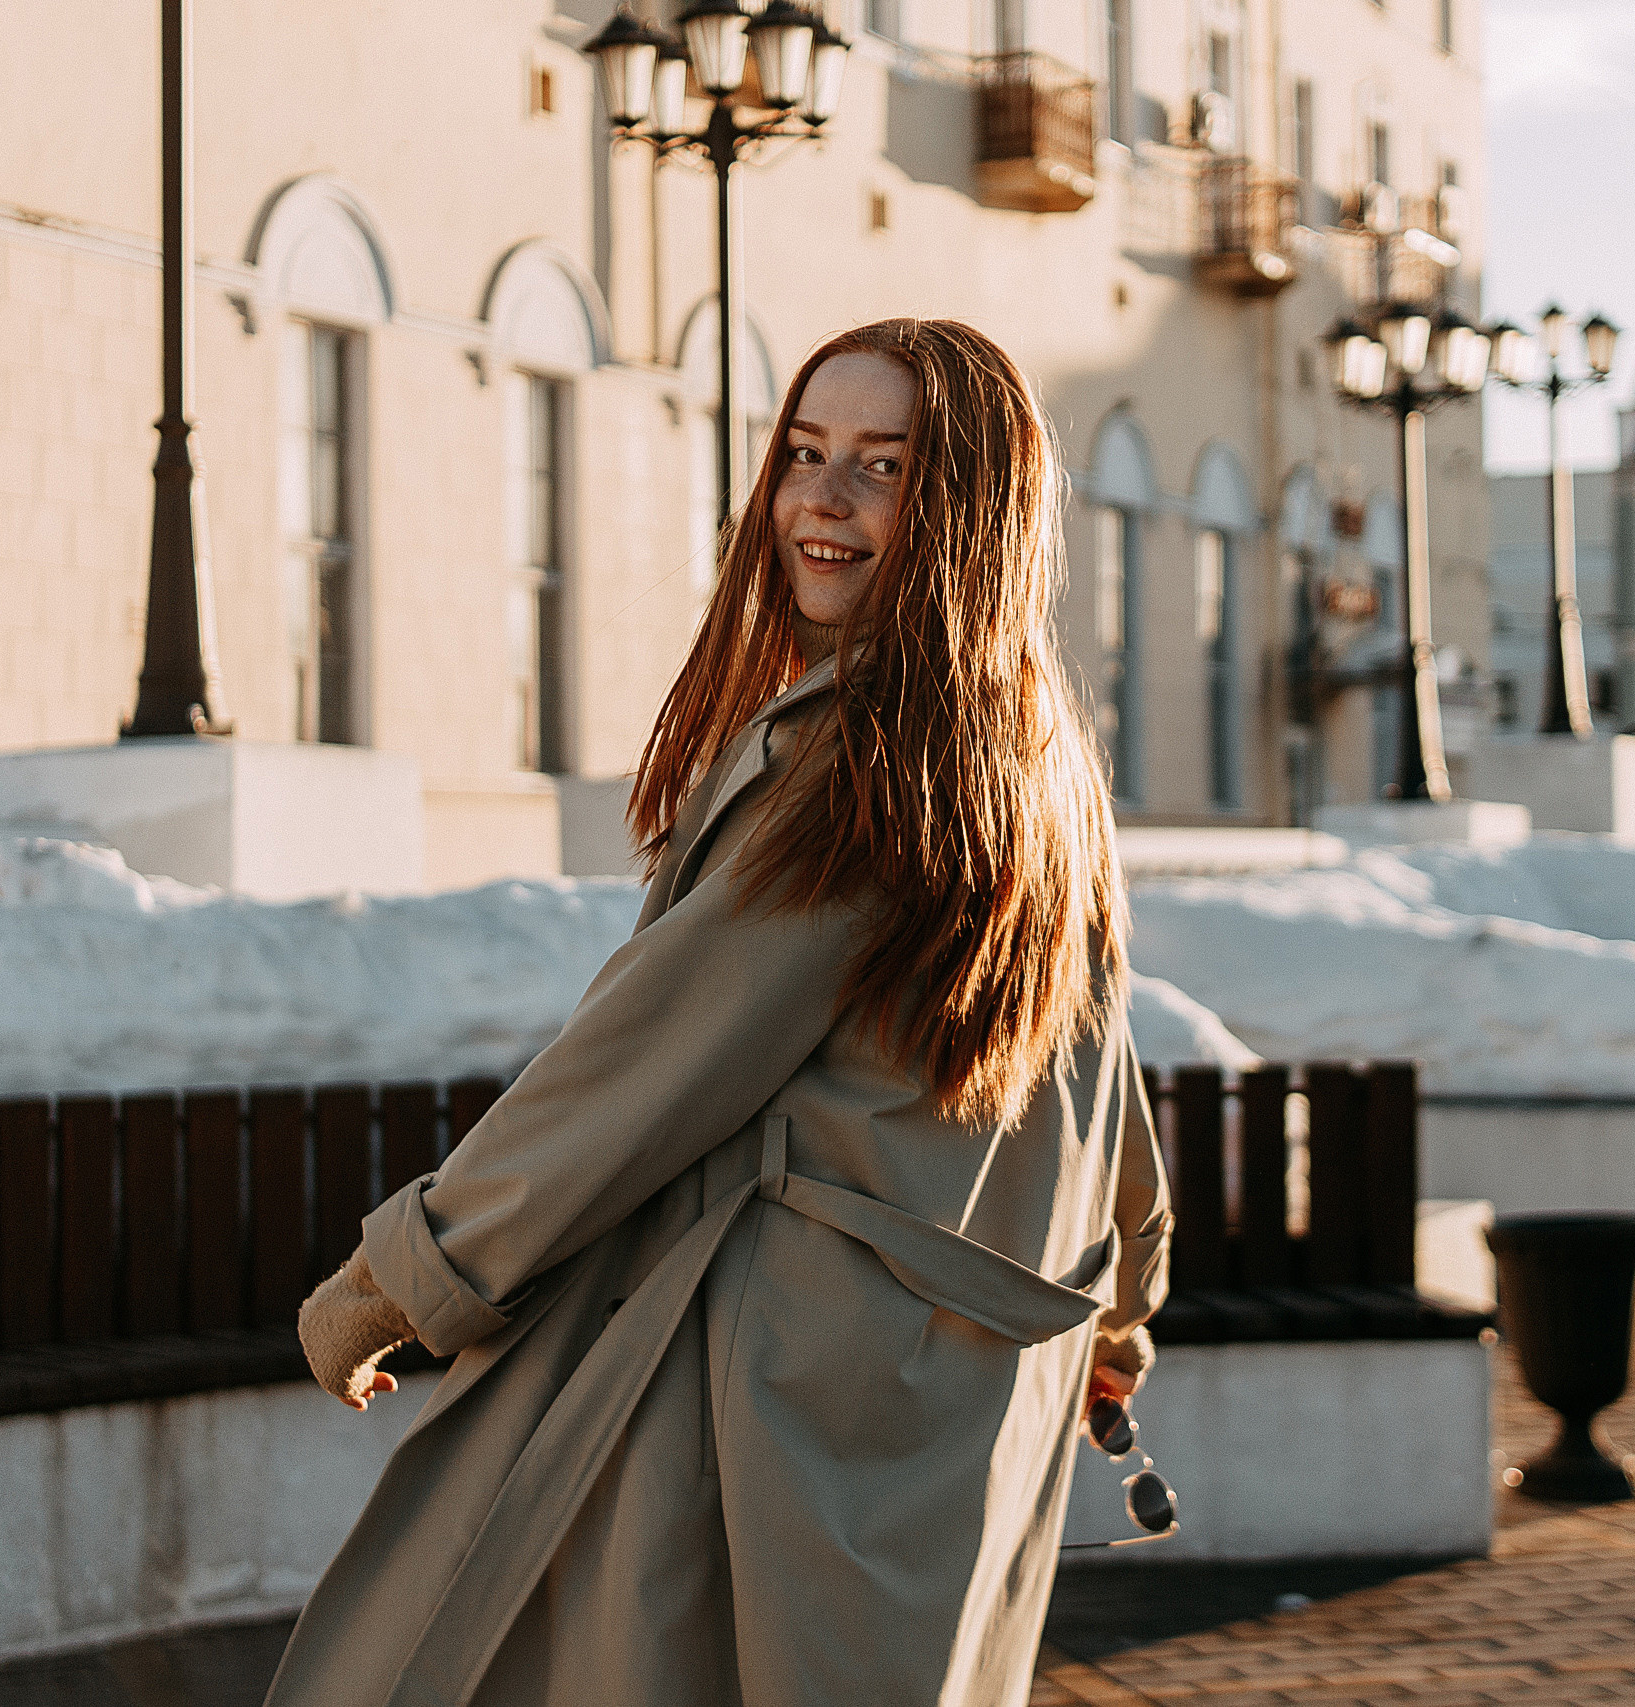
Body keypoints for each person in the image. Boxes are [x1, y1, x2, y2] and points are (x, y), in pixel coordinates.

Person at [271, 318, 1171, 1707]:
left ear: (972, 508)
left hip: (767, 1397)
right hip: (949, 1391)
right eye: (806, 453)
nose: (823, 497)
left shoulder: (858, 762)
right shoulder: (1030, 748)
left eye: (885, 466)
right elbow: (1107, 1081)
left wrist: (400, 1282)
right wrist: (1119, 1317)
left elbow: (641, 1064)